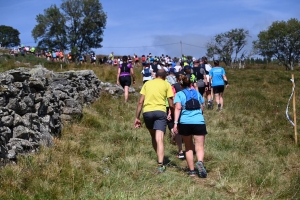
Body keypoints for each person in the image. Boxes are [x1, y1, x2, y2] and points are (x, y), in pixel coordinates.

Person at [134, 69, 174, 173]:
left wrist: (137, 118)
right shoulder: (166, 84)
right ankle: (160, 164)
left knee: (153, 136)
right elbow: (171, 103)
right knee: (159, 138)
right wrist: (172, 113)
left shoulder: (147, 84)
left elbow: (140, 102)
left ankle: (159, 156)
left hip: (147, 112)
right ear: (165, 76)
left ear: (155, 75)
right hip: (160, 112)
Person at [173, 74, 208, 178]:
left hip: (185, 122)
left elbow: (178, 108)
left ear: (181, 84)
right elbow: (202, 107)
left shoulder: (179, 94)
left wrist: (175, 123)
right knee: (200, 146)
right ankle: (200, 162)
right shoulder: (197, 93)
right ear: (191, 84)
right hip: (199, 122)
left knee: (188, 147)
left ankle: (192, 171)